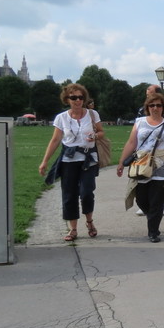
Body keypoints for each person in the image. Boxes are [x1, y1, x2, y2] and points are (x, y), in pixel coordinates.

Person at [38, 83, 104, 242]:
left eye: (81, 97)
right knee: (69, 195)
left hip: (88, 158)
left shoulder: (92, 114)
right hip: (69, 160)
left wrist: (95, 136)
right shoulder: (61, 118)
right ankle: (73, 229)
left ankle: (89, 221)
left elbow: (101, 132)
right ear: (67, 99)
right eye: (74, 97)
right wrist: (45, 161)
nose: (78, 100)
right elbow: (55, 140)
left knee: (87, 192)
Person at [116, 93, 164, 242]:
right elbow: (131, 143)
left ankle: (153, 231)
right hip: (141, 164)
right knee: (141, 199)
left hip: (161, 164)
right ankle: (153, 218)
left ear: (163, 108)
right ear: (147, 107)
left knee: (156, 199)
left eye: (158, 105)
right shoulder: (140, 122)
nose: (155, 108)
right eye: (152, 105)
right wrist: (121, 162)